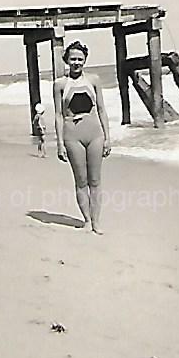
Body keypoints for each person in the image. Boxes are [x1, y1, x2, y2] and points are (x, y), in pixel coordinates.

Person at [53, 41, 111, 234]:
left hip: (95, 133)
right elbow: (59, 115)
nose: (76, 62)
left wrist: (108, 138)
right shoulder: (60, 84)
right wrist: (60, 143)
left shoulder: (94, 80)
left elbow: (101, 109)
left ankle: (97, 222)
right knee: (81, 180)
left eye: (80, 58)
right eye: (72, 59)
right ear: (66, 61)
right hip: (72, 135)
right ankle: (86, 220)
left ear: (85, 59)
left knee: (95, 181)